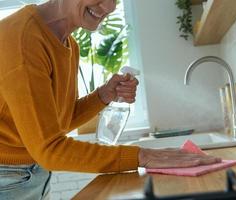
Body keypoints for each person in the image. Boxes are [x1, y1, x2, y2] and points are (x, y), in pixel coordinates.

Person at [0, 0, 221, 199]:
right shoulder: (22, 40)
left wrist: (104, 95)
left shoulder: (69, 43)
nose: (108, 7)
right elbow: (49, 149)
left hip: (30, 173)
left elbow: (59, 122)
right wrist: (144, 156)